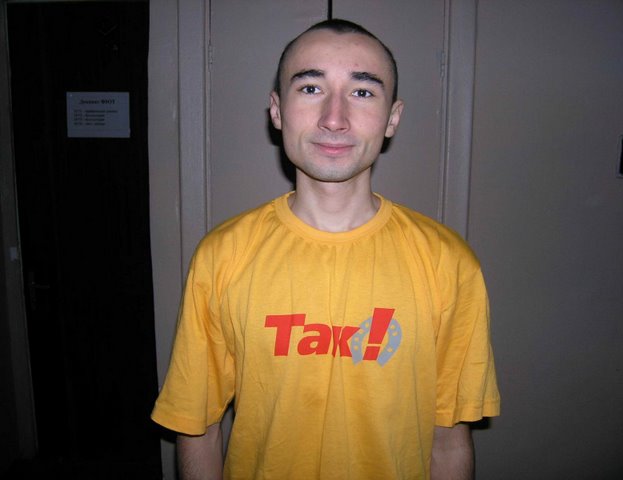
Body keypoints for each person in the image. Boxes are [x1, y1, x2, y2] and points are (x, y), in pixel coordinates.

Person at [152, 18, 500, 480]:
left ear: (392, 117)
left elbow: (449, 442)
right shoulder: (221, 257)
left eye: (362, 92)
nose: (334, 119)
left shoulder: (449, 264)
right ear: (277, 110)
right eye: (311, 88)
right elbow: (199, 429)